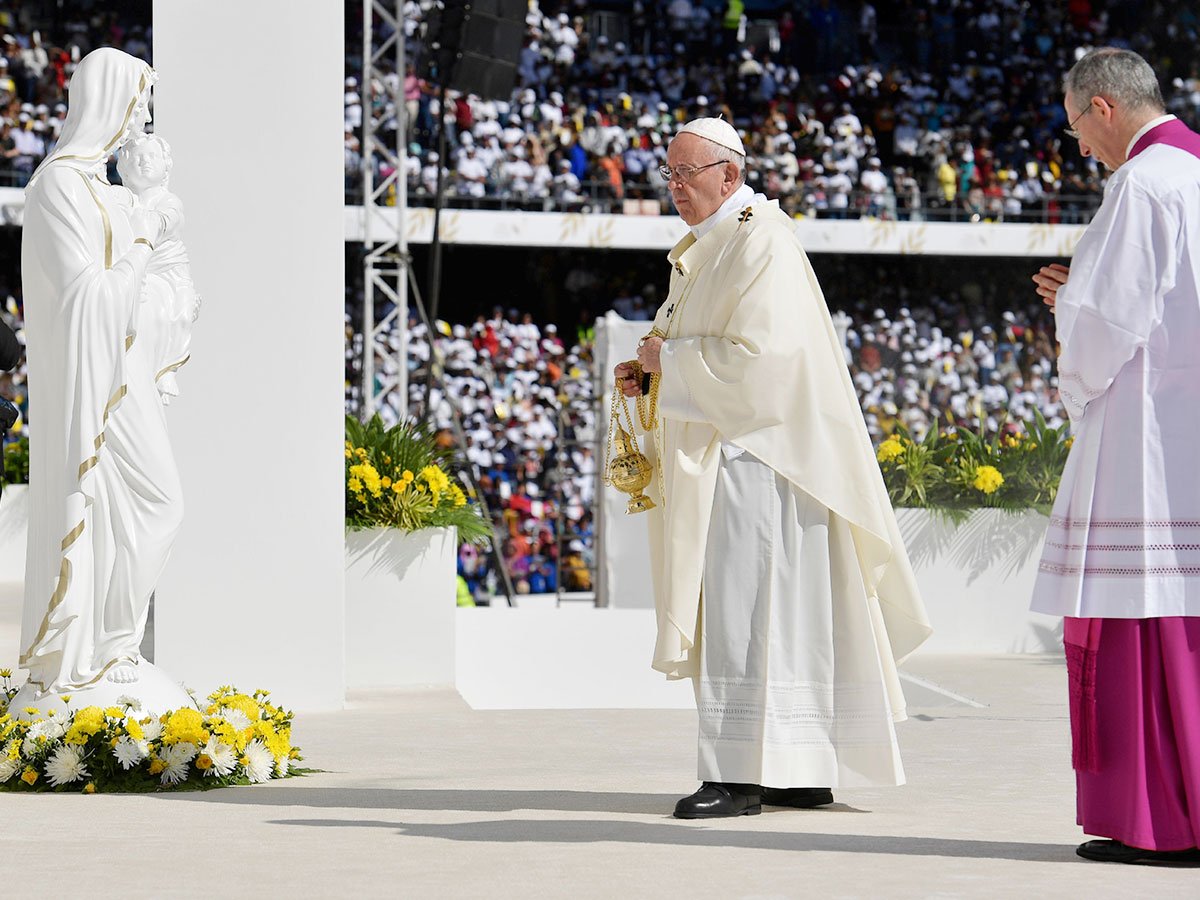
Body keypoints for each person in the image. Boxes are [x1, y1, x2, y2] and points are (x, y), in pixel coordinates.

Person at [614, 117, 931, 819]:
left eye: (686, 175)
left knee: (745, 617)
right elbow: (702, 340)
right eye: (667, 175)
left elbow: (766, 365)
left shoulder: (763, 242)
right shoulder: (714, 244)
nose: (674, 189)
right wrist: (651, 367)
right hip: (750, 458)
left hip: (761, 462)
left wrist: (673, 361)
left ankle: (736, 776)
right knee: (775, 618)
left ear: (729, 175)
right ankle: (796, 765)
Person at [1030, 48, 1200, 864]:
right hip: (1186, 428)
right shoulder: (1193, 173)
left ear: (1102, 107)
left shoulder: (1142, 183)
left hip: (1150, 441)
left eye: (1076, 129)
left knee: (1142, 623)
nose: (1082, 148)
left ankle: (1163, 823)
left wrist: (1073, 311)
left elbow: (1110, 331)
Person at [19, 48, 180, 694]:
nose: (141, 116)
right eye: (137, 100)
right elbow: (84, 298)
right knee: (158, 502)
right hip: (95, 385)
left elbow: (138, 288)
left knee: (160, 505)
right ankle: (103, 653)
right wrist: (142, 236)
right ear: (108, 101)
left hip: (124, 370)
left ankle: (117, 648)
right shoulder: (57, 186)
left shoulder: (101, 187)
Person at [116, 132, 201, 405]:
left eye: (152, 157)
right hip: (135, 264)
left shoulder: (167, 200)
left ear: (165, 165)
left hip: (167, 267)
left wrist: (142, 221)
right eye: (138, 158)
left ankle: (167, 367)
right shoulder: (120, 198)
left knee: (181, 309)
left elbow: (168, 221)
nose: (144, 163)